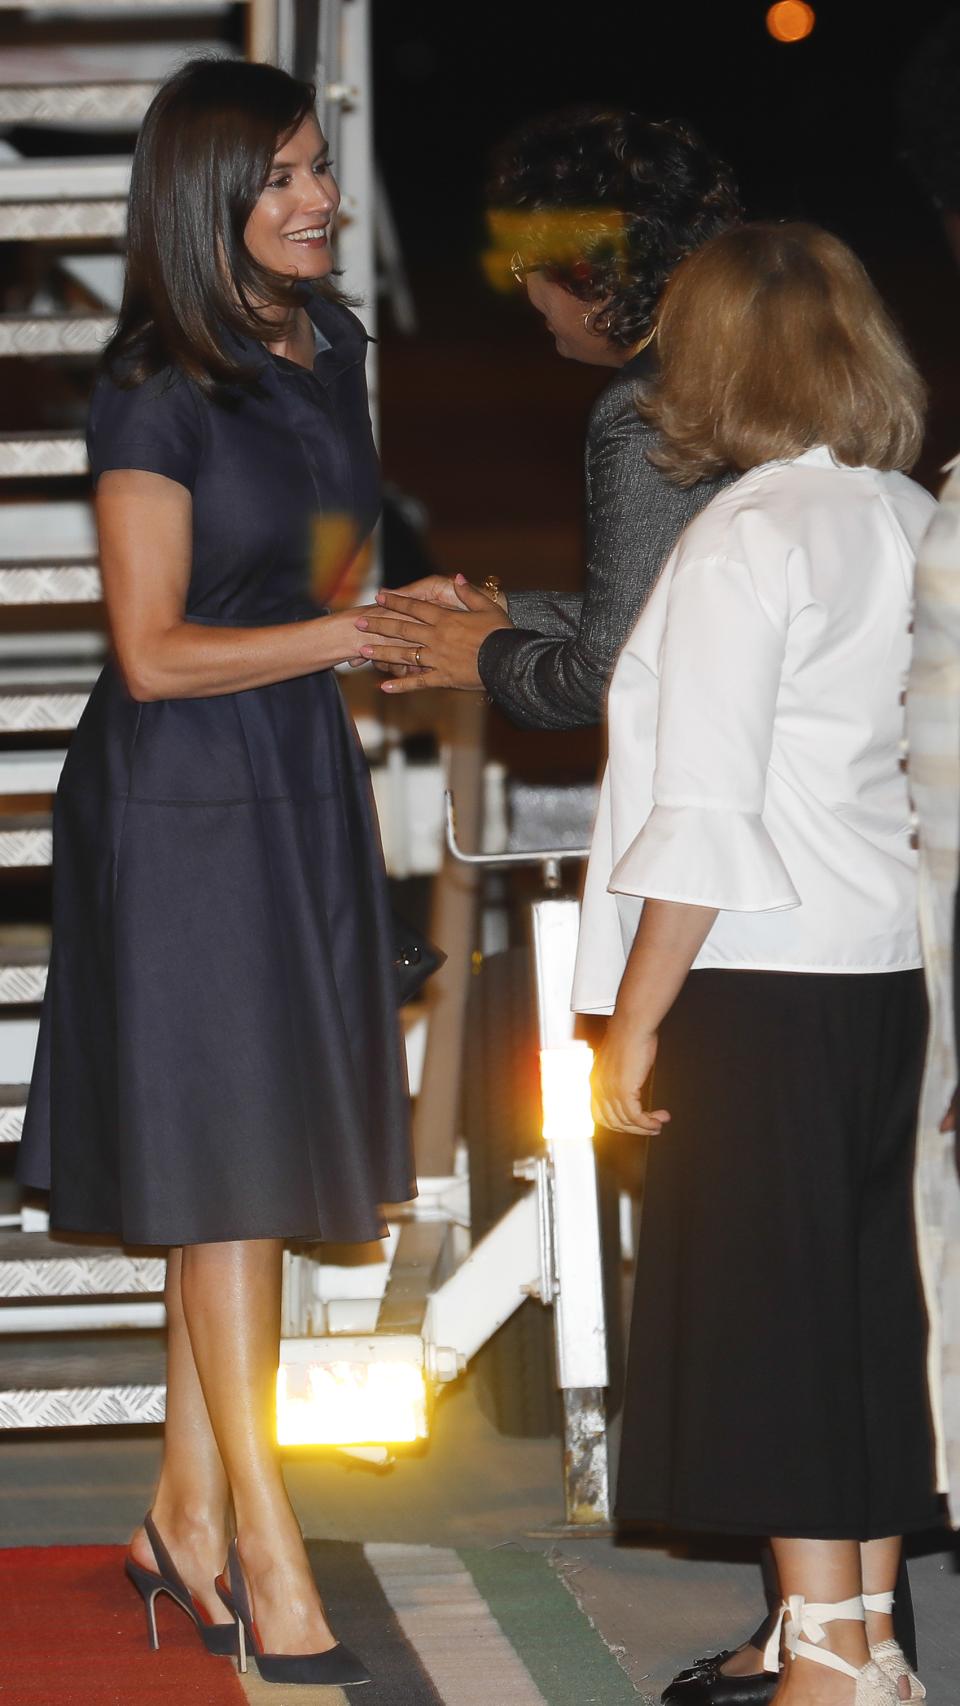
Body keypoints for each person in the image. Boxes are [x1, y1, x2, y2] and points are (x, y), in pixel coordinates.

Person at [16, 58, 411, 1689]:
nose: (320, 202)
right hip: (178, 794)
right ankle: (263, 1539)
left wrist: (400, 629)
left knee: (236, 1169)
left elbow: (339, 563)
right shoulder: (148, 383)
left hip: (297, 769)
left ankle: (184, 1508)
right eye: (286, 183)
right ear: (207, 206)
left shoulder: (337, 345)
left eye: (320, 170)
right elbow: (156, 654)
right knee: (229, 1169)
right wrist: (352, 633)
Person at [573, 223, 940, 1706]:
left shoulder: (745, 536)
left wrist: (631, 1022)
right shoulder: (910, 512)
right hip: (892, 968)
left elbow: (704, 810)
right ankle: (854, 1636)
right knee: (861, 1310)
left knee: (778, 1320)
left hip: (763, 972)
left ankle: (832, 1661)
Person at [353, 107, 741, 722]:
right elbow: (657, 615)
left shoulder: (646, 407)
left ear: (586, 271)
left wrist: (483, 658)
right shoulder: (735, 359)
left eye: (523, 263)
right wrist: (491, 614)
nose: (525, 290)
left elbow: (615, 677)